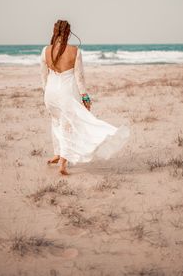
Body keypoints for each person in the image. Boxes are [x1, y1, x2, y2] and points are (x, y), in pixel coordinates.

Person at [40, 19, 130, 175]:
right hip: (66, 93)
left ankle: (58, 153)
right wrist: (85, 98)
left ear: (54, 31)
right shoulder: (75, 51)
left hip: (50, 93)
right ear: (68, 32)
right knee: (68, 126)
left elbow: (44, 78)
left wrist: (47, 94)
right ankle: (63, 161)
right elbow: (79, 78)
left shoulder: (45, 50)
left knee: (56, 122)